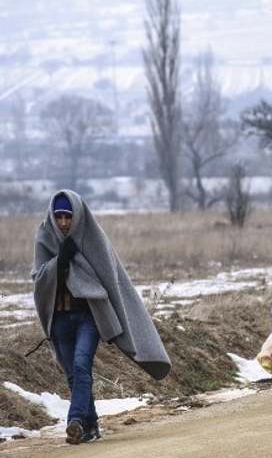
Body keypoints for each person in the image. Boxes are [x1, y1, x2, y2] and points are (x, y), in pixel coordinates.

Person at [31, 190, 171, 444]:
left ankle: (73, 421)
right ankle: (90, 425)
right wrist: (59, 264)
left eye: (68, 217)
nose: (63, 223)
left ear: (77, 216)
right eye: (59, 217)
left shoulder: (93, 237)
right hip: (60, 318)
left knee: (82, 364)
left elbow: (112, 279)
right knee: (73, 374)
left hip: (88, 316)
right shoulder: (44, 237)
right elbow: (38, 281)